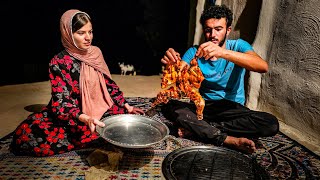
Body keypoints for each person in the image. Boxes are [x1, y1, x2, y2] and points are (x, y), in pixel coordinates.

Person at [10, 9, 144, 157]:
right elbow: (62, 103)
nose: (88, 38)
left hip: (99, 109)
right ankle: (93, 134)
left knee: (125, 122)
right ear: (67, 33)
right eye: (81, 33)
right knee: (25, 136)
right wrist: (85, 118)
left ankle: (95, 133)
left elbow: (108, 84)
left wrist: (126, 105)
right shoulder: (59, 62)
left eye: (90, 32)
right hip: (74, 116)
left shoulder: (95, 53)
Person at [160, 4, 279, 154]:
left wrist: (222, 53)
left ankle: (202, 128)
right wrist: (171, 66)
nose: (213, 35)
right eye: (208, 30)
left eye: (218, 29)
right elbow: (176, 81)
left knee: (270, 123)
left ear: (228, 30)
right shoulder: (194, 51)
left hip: (232, 108)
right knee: (168, 105)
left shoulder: (238, 46)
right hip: (204, 107)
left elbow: (262, 66)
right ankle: (226, 138)